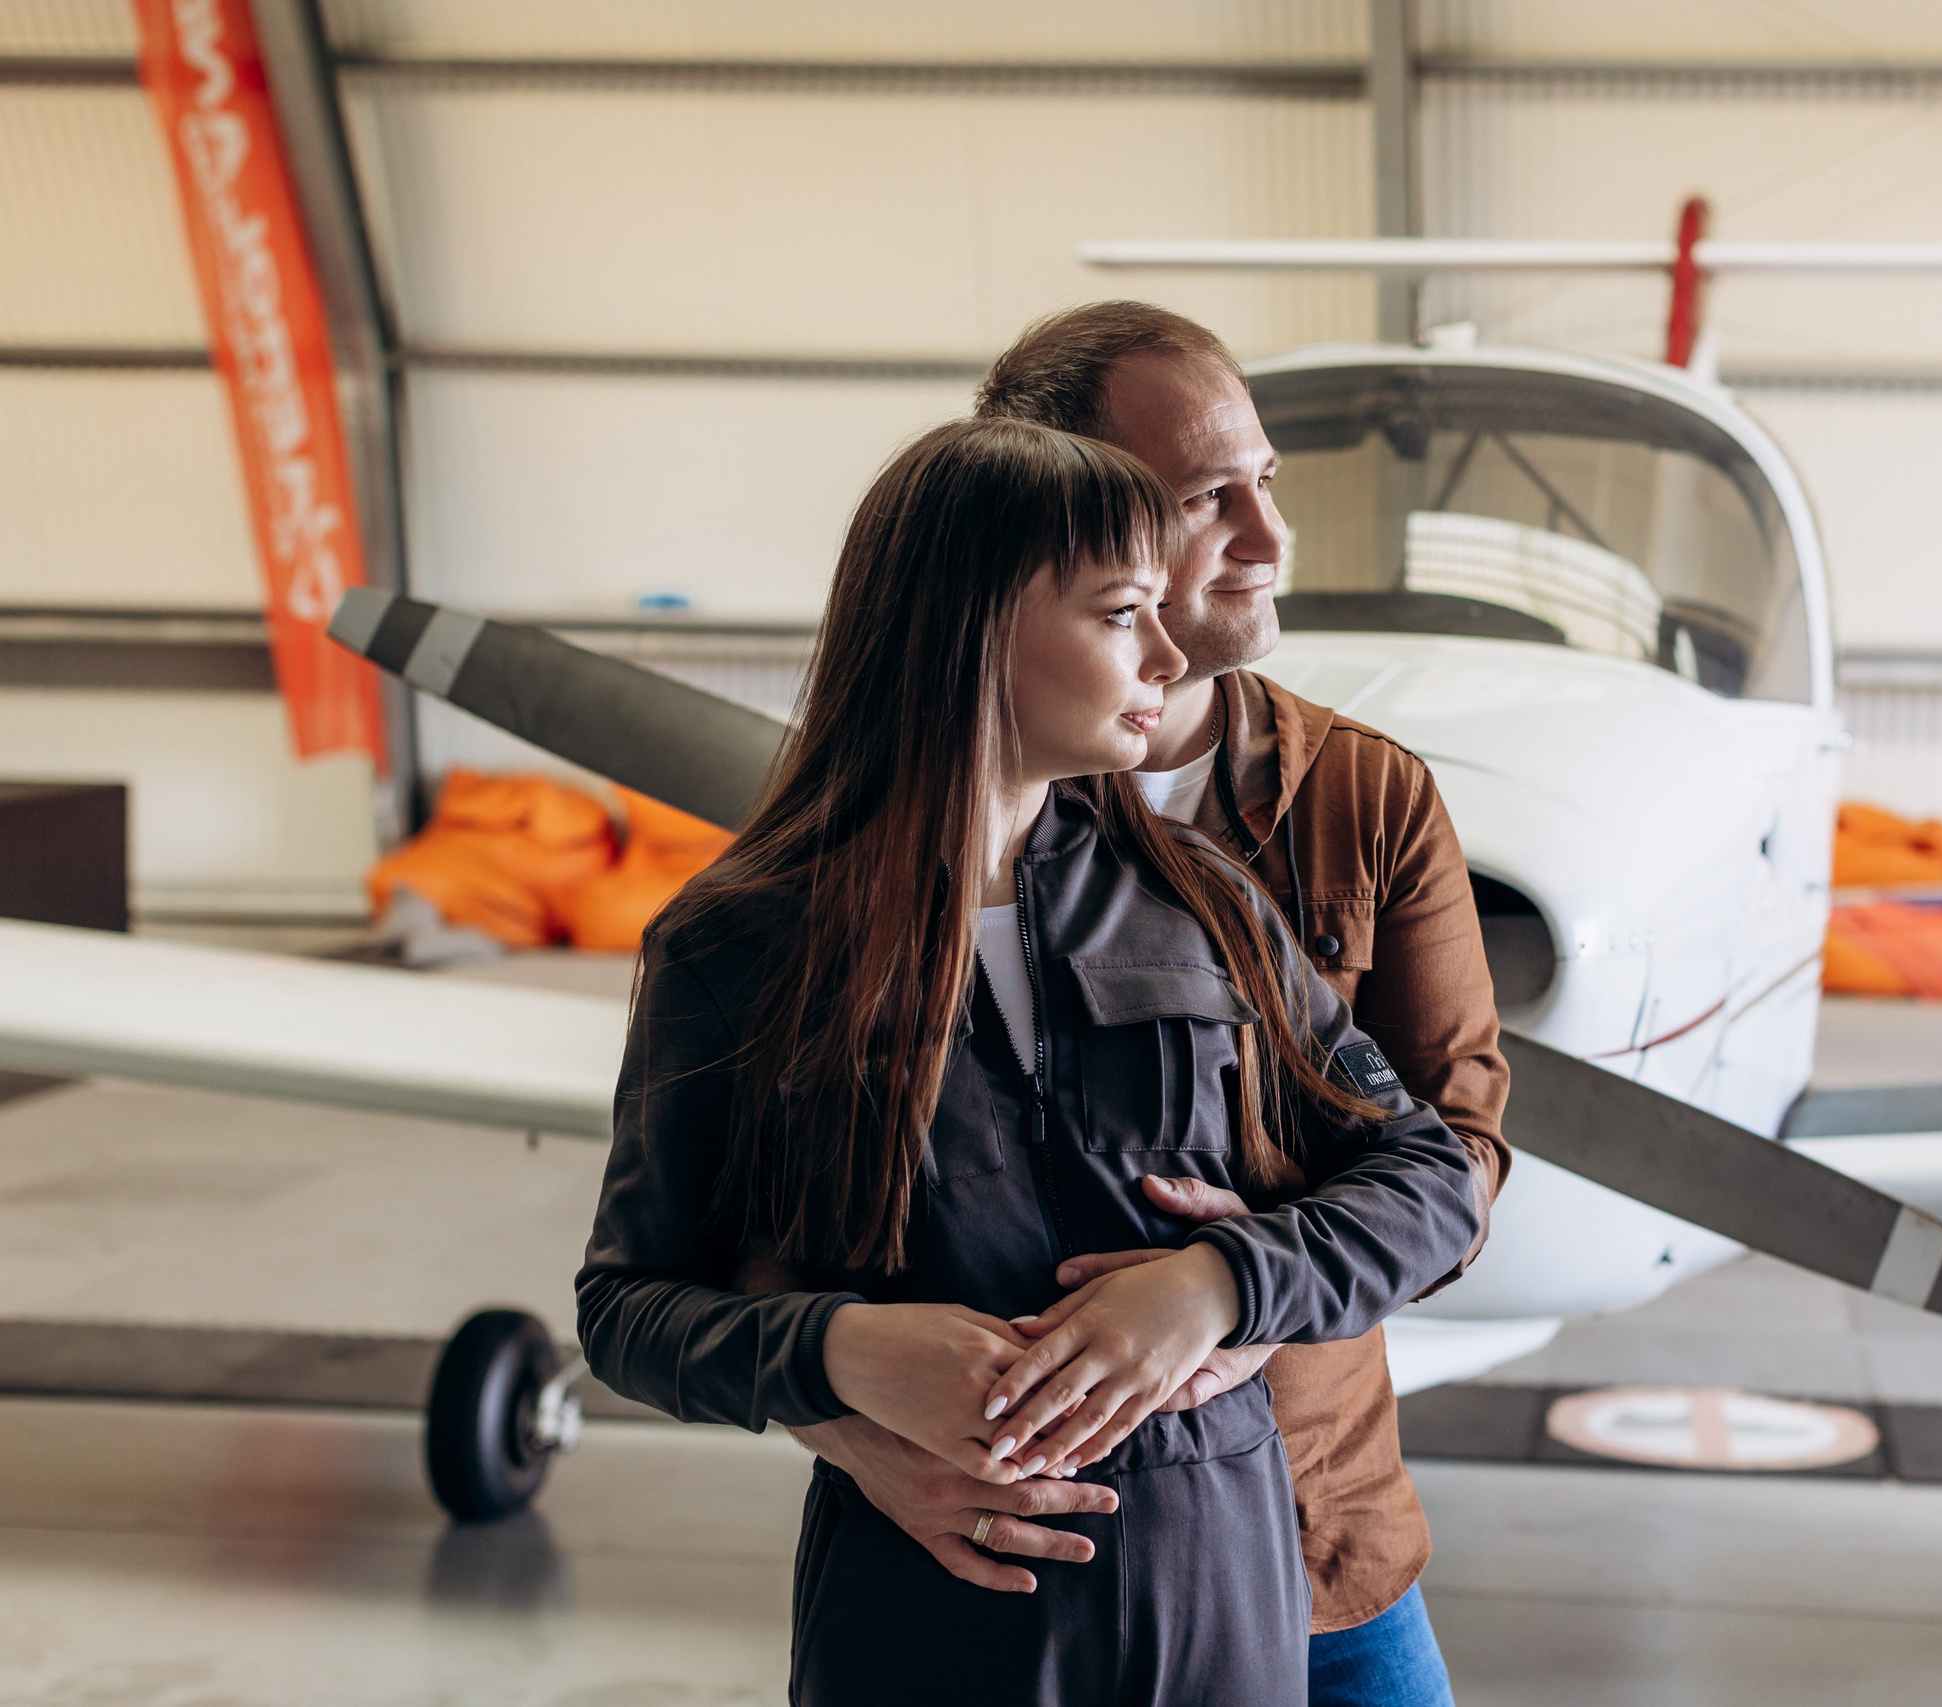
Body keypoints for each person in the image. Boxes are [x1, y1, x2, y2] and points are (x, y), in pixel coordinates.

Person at [576, 417, 1484, 1706]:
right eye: (1124, 613)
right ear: (974, 629)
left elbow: (1433, 1179)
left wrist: (1222, 1285)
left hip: (1223, 1601)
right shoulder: (738, 944)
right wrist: (842, 1356)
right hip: (929, 1626)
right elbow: (629, 1309)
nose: (1170, 654)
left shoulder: (1209, 903)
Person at [792, 303, 1511, 1706]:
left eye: (1268, 481)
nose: (1269, 534)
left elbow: (1457, 1157)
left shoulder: (1369, 796)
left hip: (1321, 1521)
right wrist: (842, 1418)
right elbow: (734, 1243)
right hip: (1005, 1565)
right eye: (1205, 500)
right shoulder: (853, 873)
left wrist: (1228, 1293)